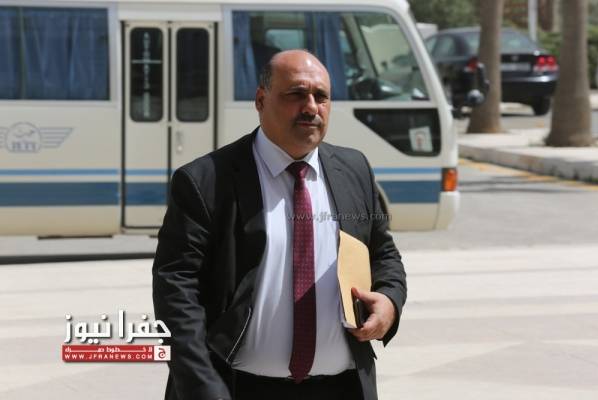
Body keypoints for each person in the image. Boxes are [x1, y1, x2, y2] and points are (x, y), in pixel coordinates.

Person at [152, 49, 407, 400]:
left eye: (321, 96)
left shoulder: (354, 169)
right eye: (296, 94)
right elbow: (176, 291)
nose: (311, 107)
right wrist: (202, 386)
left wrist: (389, 301)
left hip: (342, 387)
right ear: (261, 100)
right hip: (236, 388)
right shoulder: (205, 181)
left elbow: (384, 254)